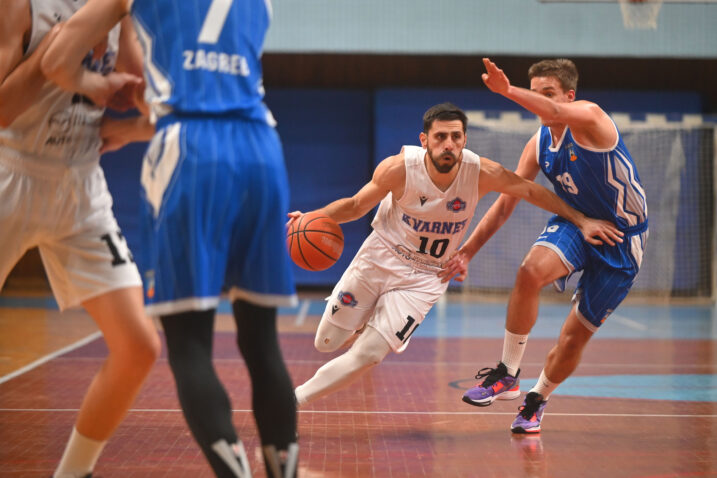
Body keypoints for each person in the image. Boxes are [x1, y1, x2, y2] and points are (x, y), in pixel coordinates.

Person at [42, 0, 300, 476]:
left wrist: (96, 84)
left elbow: (54, 62)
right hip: (262, 147)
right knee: (263, 344)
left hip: (190, 149)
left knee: (188, 343)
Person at [291, 102, 624, 408]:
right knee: (326, 342)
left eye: (455, 137)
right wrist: (311, 218)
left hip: (426, 275)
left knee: (371, 354)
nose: (448, 144)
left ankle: (291, 401)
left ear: (464, 139)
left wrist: (581, 219)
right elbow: (354, 206)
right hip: (379, 257)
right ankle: (365, 321)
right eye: (440, 137)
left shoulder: (480, 172)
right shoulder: (398, 169)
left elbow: (531, 190)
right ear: (425, 140)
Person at [0, 1, 160, 477]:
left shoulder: (116, 7)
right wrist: (57, 55)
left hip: (81, 185)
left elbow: (138, 92)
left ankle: (74, 473)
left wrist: (133, 113)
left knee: (138, 346)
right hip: (12, 172)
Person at [453, 58, 648, 434]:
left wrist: (508, 91)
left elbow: (558, 112)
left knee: (571, 341)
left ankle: (537, 400)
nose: (539, 102)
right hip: (577, 223)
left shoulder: (591, 117)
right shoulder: (538, 143)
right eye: (534, 92)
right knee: (529, 271)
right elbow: (505, 203)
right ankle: (507, 374)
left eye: (547, 94)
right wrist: (466, 251)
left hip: (622, 239)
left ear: (568, 95)